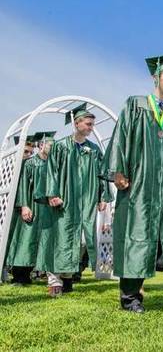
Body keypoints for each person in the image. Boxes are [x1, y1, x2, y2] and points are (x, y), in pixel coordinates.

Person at [101, 54, 163, 313]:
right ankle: (129, 297)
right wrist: (118, 171)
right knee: (135, 236)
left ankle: (136, 292)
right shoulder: (136, 105)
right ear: (155, 78)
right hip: (138, 185)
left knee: (152, 238)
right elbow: (121, 136)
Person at [36, 104, 111, 297]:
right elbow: (51, 171)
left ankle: (67, 275)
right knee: (60, 239)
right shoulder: (61, 146)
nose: (91, 128)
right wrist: (52, 194)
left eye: (92, 124)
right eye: (88, 124)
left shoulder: (93, 150)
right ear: (76, 123)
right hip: (64, 200)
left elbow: (102, 174)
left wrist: (103, 196)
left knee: (83, 240)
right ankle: (55, 281)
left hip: (86, 201)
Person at [6, 133, 55, 285]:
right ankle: (19, 276)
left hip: (46, 209)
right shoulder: (30, 163)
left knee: (39, 241)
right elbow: (23, 186)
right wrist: (24, 206)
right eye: (50, 146)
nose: (53, 149)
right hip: (32, 205)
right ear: (42, 145)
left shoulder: (53, 165)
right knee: (25, 240)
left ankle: (31, 273)